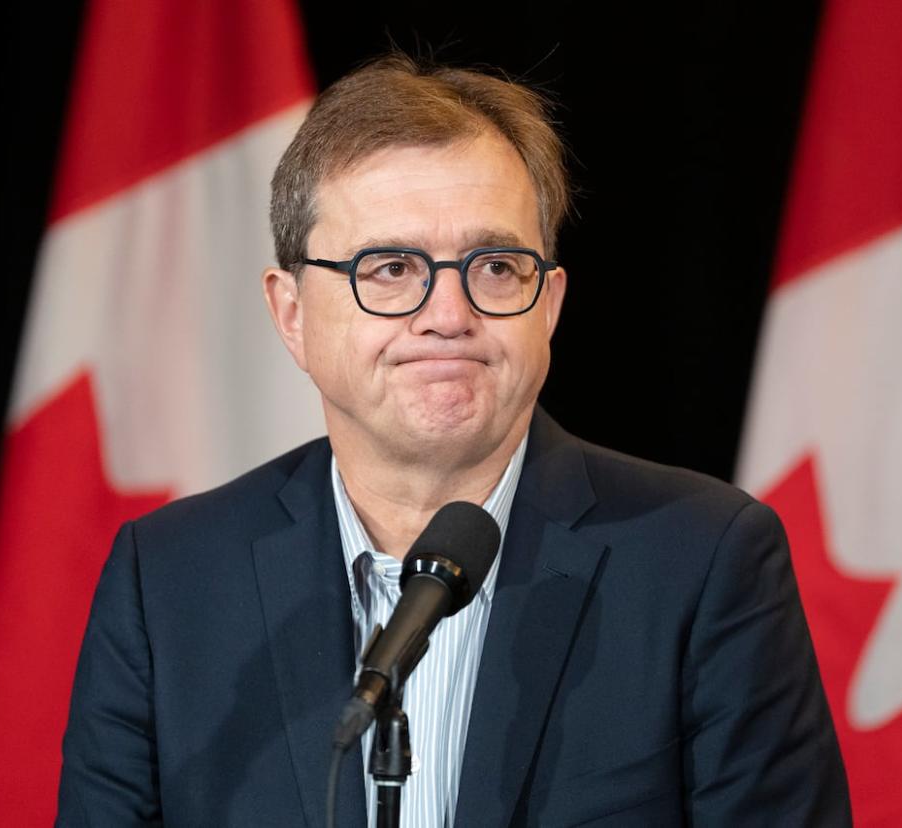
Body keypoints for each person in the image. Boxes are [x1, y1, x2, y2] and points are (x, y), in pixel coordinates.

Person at [57, 53, 851, 826]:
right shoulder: (168, 583)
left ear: (550, 306)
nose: (447, 315)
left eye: (497, 266)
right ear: (291, 314)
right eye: (391, 267)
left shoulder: (704, 561)